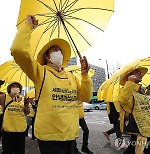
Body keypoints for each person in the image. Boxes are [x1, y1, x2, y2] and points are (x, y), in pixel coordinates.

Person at [11, 15, 92, 154]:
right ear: (47, 57)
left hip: (70, 135)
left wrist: (85, 75)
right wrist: (27, 26)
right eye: (55, 51)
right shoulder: (40, 73)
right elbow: (17, 50)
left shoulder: (72, 77)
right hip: (49, 137)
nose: (59, 53)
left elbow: (86, 97)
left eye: (60, 51)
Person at [118, 67, 150, 154]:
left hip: (143, 127)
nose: (140, 74)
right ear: (129, 75)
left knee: (132, 149)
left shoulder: (141, 91)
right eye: (137, 72)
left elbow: (142, 107)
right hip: (139, 127)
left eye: (140, 72)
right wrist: (130, 82)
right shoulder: (125, 90)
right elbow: (123, 101)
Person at [0, 81, 30, 154]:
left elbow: (27, 112)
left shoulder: (23, 99)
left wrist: (26, 105)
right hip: (8, 129)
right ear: (9, 88)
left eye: (17, 86)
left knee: (20, 151)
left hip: (20, 129)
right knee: (7, 151)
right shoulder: (3, 97)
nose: (15, 88)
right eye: (13, 86)